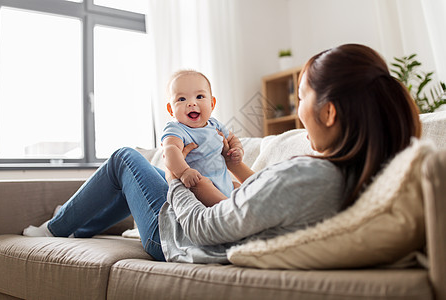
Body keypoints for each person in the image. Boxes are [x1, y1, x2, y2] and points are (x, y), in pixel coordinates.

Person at [23, 44, 421, 264]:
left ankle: (55, 230)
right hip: (208, 208)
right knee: (129, 172)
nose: (298, 111)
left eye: (300, 98)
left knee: (125, 158)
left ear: (329, 112)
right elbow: (269, 199)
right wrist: (236, 167)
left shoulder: (311, 178)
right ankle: (76, 227)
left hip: (177, 238)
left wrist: (177, 179)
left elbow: (204, 228)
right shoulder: (351, 170)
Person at [162, 70, 243, 206]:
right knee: (203, 183)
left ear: (212, 104)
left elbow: (232, 138)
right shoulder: (176, 129)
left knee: (238, 187)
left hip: (225, 183)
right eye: (182, 99)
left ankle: (237, 205)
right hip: (198, 186)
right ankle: (229, 209)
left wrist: (237, 149)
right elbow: (170, 151)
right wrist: (184, 172)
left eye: (199, 96)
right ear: (171, 110)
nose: (192, 103)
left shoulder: (214, 124)